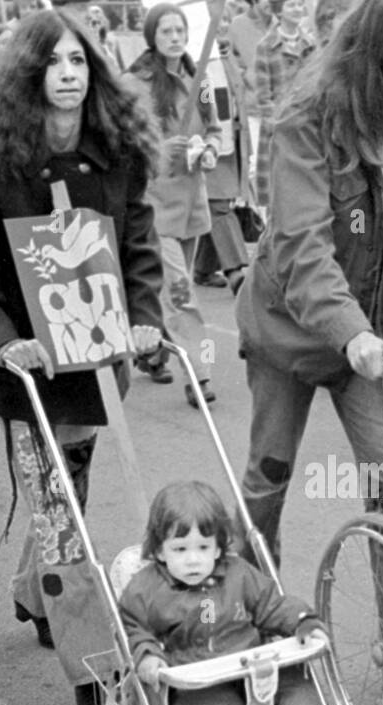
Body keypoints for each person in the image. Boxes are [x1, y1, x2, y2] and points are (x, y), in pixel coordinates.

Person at [0, 8, 167, 705]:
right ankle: (93, 670)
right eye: (53, 64)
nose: (68, 75)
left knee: (68, 488)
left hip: (94, 362)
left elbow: (138, 241)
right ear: (27, 77)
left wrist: (145, 314)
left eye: (80, 61)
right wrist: (5, 340)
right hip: (28, 371)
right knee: (65, 521)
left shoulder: (117, 152)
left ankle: (30, 590)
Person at [236, 0, 383, 565]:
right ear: (371, 39)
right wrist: (350, 332)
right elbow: (301, 245)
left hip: (376, 340)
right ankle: (255, 603)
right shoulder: (310, 117)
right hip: (288, 329)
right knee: (271, 474)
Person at [118, 480, 348, 705]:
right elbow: (135, 630)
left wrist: (302, 622)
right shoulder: (146, 590)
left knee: (298, 686)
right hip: (194, 679)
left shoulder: (239, 575)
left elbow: (273, 605)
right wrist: (148, 656)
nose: (192, 559)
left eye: (202, 547)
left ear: (219, 548)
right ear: (160, 551)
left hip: (249, 666)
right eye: (179, 549)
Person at [127, 2, 220, 407]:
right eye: (165, 31)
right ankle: (199, 374)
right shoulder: (135, 83)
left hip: (192, 204)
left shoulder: (198, 77)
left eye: (179, 30)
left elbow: (215, 128)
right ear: (152, 36)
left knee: (162, 291)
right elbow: (123, 144)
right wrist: (161, 149)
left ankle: (150, 351)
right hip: (153, 203)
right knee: (182, 293)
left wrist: (210, 150)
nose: (174, 37)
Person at [192, 5, 255, 295]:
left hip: (233, 144)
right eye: (216, 25)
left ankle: (204, 268)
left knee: (218, 203)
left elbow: (237, 99)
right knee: (218, 206)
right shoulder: (196, 63)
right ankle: (236, 270)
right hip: (210, 144)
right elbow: (202, 104)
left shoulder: (226, 59)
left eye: (226, 23)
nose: (222, 30)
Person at [252, 0, 316, 210]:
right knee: (277, 199)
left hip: (308, 129)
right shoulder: (265, 46)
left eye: (300, 4)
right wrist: (280, 125)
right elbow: (263, 97)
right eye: (292, 5)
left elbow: (316, 86)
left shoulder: (311, 44)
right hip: (277, 131)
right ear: (279, 11)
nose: (298, 9)